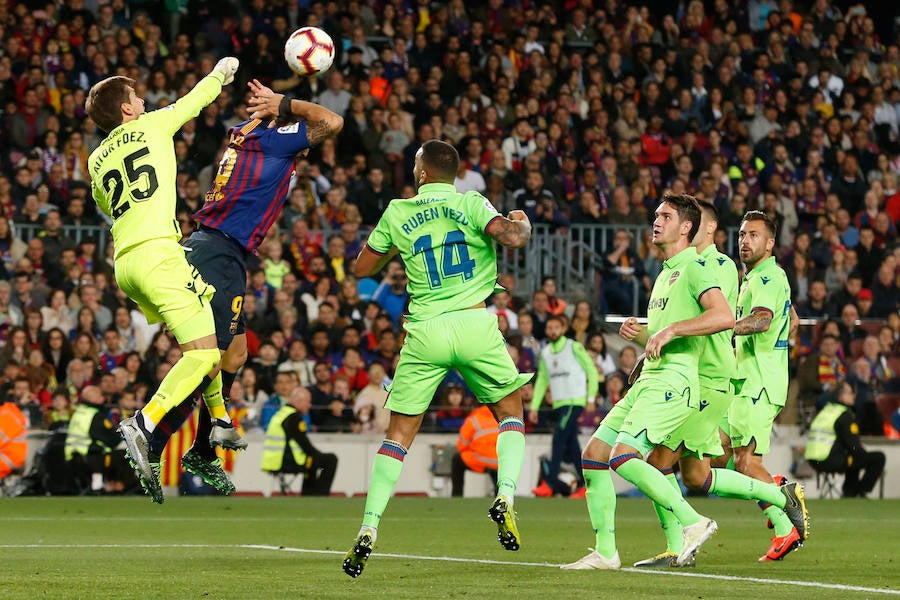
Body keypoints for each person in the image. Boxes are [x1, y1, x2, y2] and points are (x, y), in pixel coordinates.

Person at [142, 78, 344, 496]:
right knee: (206, 360)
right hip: (217, 252)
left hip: (219, 251)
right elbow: (332, 122)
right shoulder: (272, 141)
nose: (306, 149)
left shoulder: (247, 136)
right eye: (300, 140)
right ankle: (153, 439)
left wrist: (278, 110)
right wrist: (286, 103)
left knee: (236, 352)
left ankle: (202, 449)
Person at [343, 139, 533, 578]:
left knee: (398, 436)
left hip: (425, 330)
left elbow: (360, 269)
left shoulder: (398, 211)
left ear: (423, 172)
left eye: (414, 164)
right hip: (473, 324)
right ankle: (505, 495)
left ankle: (369, 527)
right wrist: (521, 220)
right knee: (510, 414)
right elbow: (513, 238)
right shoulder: (471, 202)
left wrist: (398, 245)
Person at [85, 57, 241, 502]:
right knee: (203, 353)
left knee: (208, 324)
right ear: (128, 111)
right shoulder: (152, 125)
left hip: (126, 262)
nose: (144, 99)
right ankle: (145, 422)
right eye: (136, 96)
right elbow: (194, 102)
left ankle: (220, 418)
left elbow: (104, 200)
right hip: (159, 253)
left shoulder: (95, 159)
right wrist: (220, 73)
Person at [563, 194, 734, 571]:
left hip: (675, 381)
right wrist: (643, 335)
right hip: (651, 379)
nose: (656, 221)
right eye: (656, 214)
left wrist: (670, 329)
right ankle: (606, 552)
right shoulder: (665, 272)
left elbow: (723, 316)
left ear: (686, 227)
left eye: (666, 216)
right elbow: (664, 336)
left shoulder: (695, 266)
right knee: (594, 454)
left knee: (624, 457)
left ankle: (694, 522)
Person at [634, 203, 809, 567]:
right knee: (702, 469)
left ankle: (782, 507)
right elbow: (785, 314)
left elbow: (760, 320)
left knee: (737, 461)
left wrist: (721, 325)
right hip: (740, 379)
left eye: (754, 235)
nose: (745, 241)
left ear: (772, 243)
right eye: (743, 234)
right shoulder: (758, 276)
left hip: (754, 382)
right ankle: (777, 503)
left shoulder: (759, 276)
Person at [529, 314, 598, 498]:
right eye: (549, 328)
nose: (552, 331)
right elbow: (542, 381)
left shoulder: (573, 347)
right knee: (572, 445)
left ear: (563, 329)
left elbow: (591, 370)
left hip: (574, 401)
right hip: (559, 404)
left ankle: (549, 483)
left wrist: (591, 399)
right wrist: (534, 407)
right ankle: (585, 486)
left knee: (558, 439)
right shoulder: (545, 353)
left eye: (556, 327)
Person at [805, 381, 886, 498]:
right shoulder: (844, 415)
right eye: (851, 393)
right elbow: (853, 445)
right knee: (878, 458)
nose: (854, 395)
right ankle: (859, 492)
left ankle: (850, 491)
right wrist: (864, 457)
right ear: (842, 396)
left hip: (813, 460)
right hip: (830, 460)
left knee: (853, 458)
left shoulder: (826, 411)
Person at [260, 386, 338, 496]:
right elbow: (304, 443)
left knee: (312, 460)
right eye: (308, 402)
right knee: (330, 459)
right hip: (286, 461)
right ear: (299, 401)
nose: (309, 405)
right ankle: (321, 496)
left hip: (273, 461)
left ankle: (307, 495)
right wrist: (317, 454)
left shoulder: (282, 413)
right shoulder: (294, 417)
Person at [64, 385, 132, 494]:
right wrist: (122, 443)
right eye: (100, 395)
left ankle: (101, 484)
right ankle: (117, 486)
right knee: (126, 453)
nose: (103, 398)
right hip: (90, 457)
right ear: (91, 398)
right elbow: (110, 438)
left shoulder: (79, 412)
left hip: (73, 456)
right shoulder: (94, 415)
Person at [451, 404, 499, 497]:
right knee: (498, 475)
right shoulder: (502, 418)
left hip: (481, 460)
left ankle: (456, 495)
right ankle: (501, 498)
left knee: (457, 459)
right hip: (500, 462)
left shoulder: (473, 419)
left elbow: (462, 445)